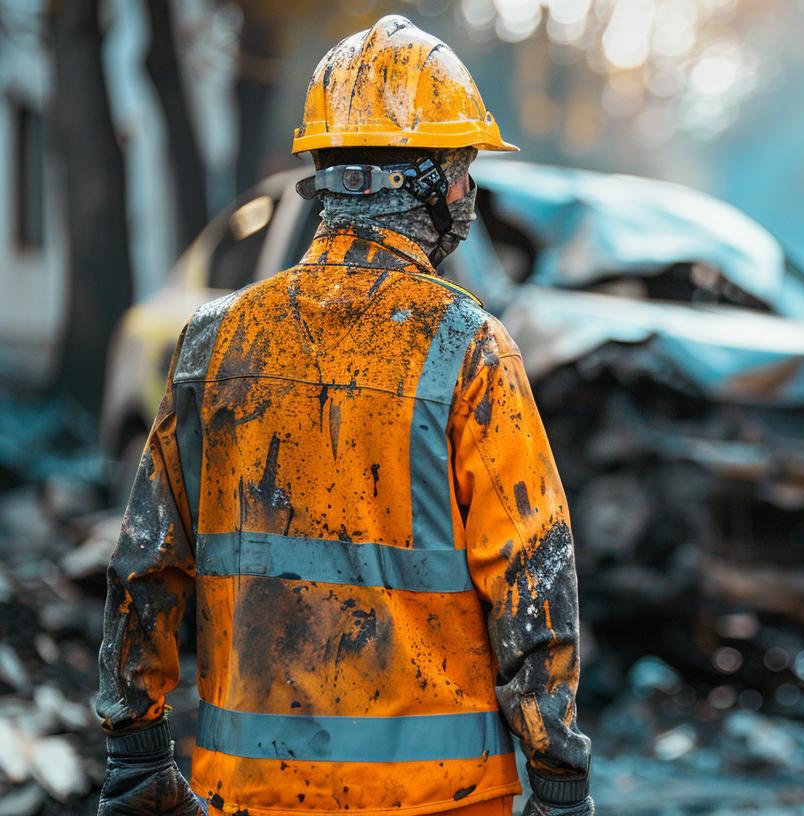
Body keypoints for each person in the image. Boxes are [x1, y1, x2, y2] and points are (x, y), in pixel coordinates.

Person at [93, 15, 592, 816]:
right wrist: (559, 777)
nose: (468, 194)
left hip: (253, 792)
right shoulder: (469, 350)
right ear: (425, 181)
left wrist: (136, 749)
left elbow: (146, 566)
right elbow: (535, 583)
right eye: (462, 170)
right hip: (442, 798)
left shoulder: (213, 342)